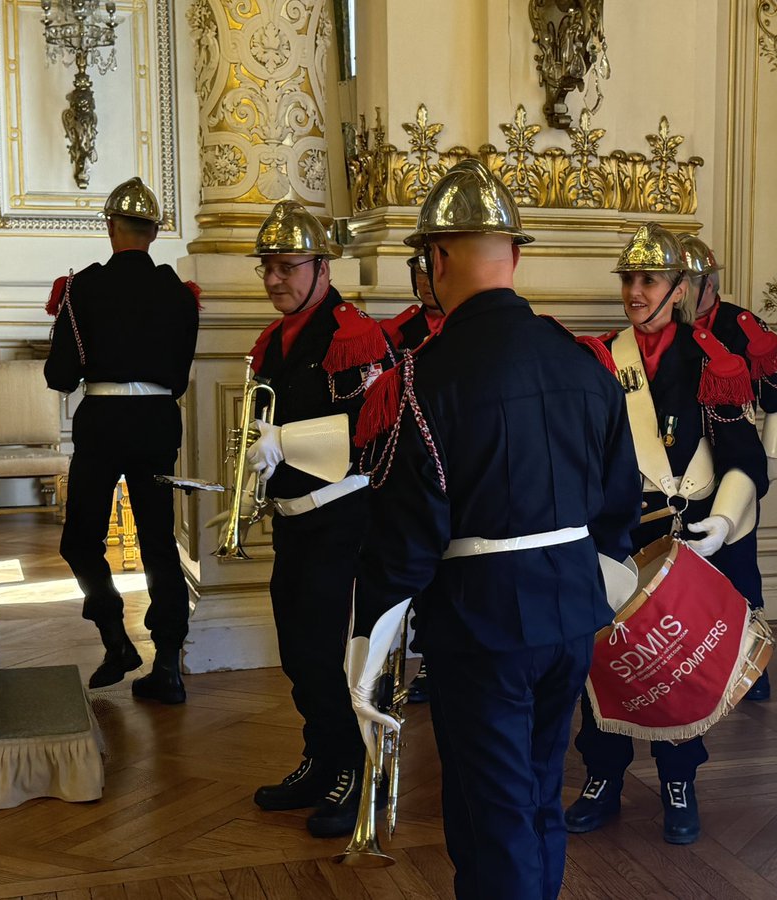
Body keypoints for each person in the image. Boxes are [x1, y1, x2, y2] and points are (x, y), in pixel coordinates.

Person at [351, 159, 641, 899]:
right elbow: (618, 506)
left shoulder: (419, 378)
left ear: (437, 259)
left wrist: (367, 641)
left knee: (494, 809)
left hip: (480, 624)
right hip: (571, 615)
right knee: (541, 791)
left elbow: (406, 538)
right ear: (514, 255)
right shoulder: (587, 363)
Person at [564, 224, 769, 846]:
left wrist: (726, 521)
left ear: (678, 290)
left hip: (686, 542)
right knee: (606, 661)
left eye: (648, 279)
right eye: (628, 279)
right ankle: (603, 775)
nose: (634, 291)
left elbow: (745, 459)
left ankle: (680, 780)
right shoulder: (597, 358)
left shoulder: (713, 362)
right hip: (616, 537)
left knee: (677, 668)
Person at [243, 200, 394, 839]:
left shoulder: (351, 331)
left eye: (286, 266)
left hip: (341, 521)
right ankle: (321, 755)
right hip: (292, 520)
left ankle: (353, 769)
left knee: (334, 655)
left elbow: (372, 432)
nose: (275, 279)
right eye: (267, 268)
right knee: (299, 653)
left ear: (321, 266)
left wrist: (285, 441)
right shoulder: (273, 341)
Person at [44, 176, 199, 705]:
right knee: (159, 544)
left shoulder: (81, 287)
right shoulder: (178, 293)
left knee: (80, 541)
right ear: (153, 233)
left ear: (111, 229)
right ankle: (169, 666)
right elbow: (179, 376)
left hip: (104, 424)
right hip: (157, 420)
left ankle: (115, 640)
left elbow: (61, 376)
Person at [679, 234, 777, 702]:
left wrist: (764, 468)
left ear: (710, 283)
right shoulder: (661, 330)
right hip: (680, 469)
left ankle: (754, 666)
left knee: (739, 568)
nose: (684, 292)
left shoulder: (741, 325)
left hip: (735, 464)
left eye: (692, 283)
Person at [378, 251, 445, 704]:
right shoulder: (398, 332)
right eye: (416, 271)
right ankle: (428, 663)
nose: (423, 280)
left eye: (429, 269)